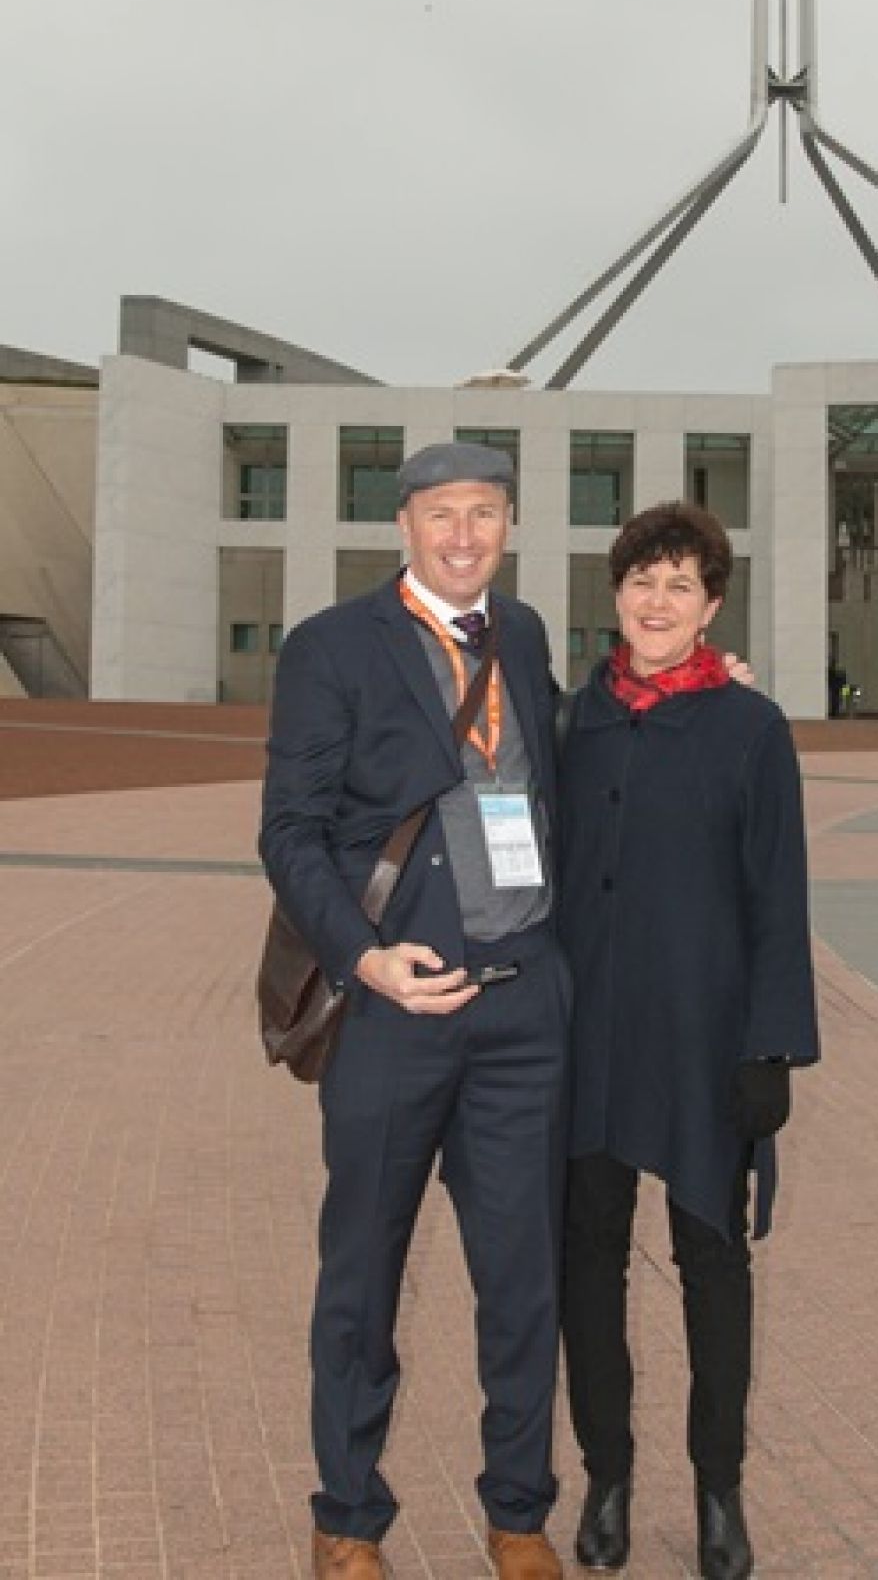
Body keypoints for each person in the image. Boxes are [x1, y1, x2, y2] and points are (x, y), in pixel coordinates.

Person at [259, 442, 570, 1580]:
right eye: (442, 515)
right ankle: (347, 1517)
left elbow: (559, 775)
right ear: (405, 526)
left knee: (522, 1280)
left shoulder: (525, 637)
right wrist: (364, 960)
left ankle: (520, 1512)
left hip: (523, 1013)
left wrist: (699, 680)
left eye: (482, 514)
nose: (462, 535)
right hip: (395, 1011)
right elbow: (288, 831)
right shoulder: (332, 647)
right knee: (363, 1271)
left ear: (508, 524)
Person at [557, 500, 819, 1580]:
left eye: (680, 584)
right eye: (640, 580)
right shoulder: (574, 722)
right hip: (586, 1039)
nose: (656, 601)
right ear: (615, 594)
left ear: (711, 606)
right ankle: (608, 1476)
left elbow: (778, 895)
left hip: (706, 1037)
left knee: (713, 1264)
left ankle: (720, 1489)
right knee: (588, 1261)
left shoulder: (751, 729)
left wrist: (771, 1048)